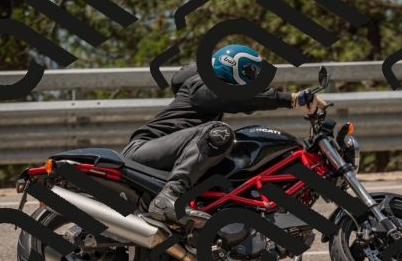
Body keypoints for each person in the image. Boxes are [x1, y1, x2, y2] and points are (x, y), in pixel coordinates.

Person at [121, 44, 328, 223]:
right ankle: (170, 194)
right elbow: (237, 98)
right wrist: (292, 99)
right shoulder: (199, 84)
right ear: (231, 65)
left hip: (161, 155)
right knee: (219, 133)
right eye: (250, 73)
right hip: (143, 149)